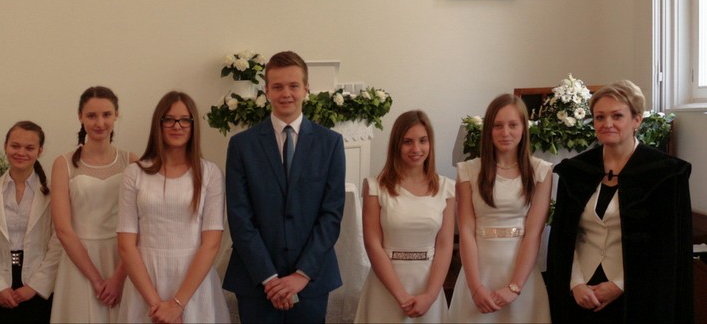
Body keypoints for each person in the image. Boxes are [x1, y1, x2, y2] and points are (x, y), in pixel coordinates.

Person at [546, 80, 692, 323]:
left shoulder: (666, 174)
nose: (607, 124)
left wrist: (620, 284)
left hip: (639, 295)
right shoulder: (576, 171)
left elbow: (667, 247)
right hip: (581, 292)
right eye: (600, 117)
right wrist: (575, 283)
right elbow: (563, 237)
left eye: (617, 116)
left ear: (637, 120)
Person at [223, 50, 346, 323]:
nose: (286, 93)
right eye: (277, 87)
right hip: (256, 282)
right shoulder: (242, 146)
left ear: (306, 89)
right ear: (267, 91)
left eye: (293, 85)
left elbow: (331, 215)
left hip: (311, 281)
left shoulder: (330, 144)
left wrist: (301, 275)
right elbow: (240, 217)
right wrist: (268, 277)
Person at [117, 91, 231, 323]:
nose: (177, 126)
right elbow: (126, 245)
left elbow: (211, 244)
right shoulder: (134, 173)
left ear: (193, 124)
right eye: (169, 119)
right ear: (158, 124)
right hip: (145, 285)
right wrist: (157, 306)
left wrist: (177, 305)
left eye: (184, 120)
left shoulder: (210, 174)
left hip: (193, 285)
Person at [450, 93, 552, 323]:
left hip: (521, 275)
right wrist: (475, 287)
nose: (505, 132)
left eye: (513, 125)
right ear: (489, 129)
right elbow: (466, 230)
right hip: (478, 274)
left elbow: (534, 233)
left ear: (523, 128)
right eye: (498, 126)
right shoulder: (468, 171)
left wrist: (514, 287)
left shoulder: (540, 172)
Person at [355, 110, 455, 323]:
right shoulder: (375, 187)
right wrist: (400, 295)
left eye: (423, 141)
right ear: (396, 145)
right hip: (386, 286)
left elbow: (445, 245)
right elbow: (373, 244)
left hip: (428, 286)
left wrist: (430, 296)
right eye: (407, 142)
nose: (416, 149)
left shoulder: (447, 188)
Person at [49, 86, 137, 323]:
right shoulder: (63, 163)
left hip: (122, 258)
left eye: (106, 114)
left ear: (116, 115)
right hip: (79, 260)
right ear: (80, 117)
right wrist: (97, 281)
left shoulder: (132, 161)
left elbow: (140, 223)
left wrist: (118, 278)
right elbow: (63, 229)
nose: (100, 123)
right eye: (91, 115)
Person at [0, 121, 62, 323]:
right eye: (15, 146)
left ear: (40, 151)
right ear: (5, 146)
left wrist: (35, 286)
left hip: (38, 283)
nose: (21, 152)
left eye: (29, 148)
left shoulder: (52, 193)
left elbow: (58, 242)